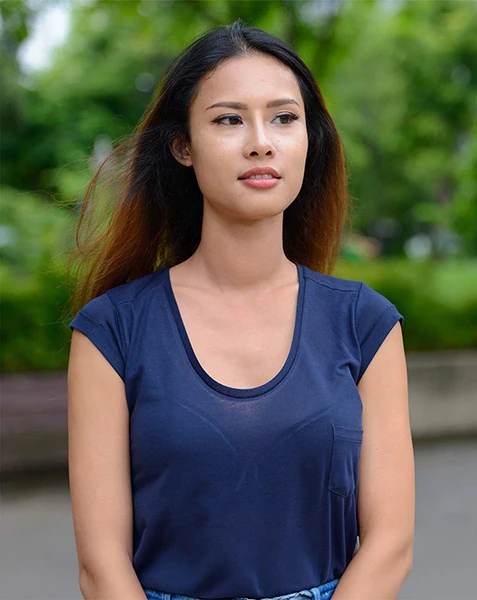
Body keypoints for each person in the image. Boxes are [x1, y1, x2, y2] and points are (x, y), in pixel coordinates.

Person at [66, 18, 415, 600]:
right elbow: (103, 568)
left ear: (310, 140)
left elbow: (391, 544)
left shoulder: (365, 323)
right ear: (183, 146)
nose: (261, 141)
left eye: (284, 118)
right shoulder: (111, 333)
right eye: (229, 119)